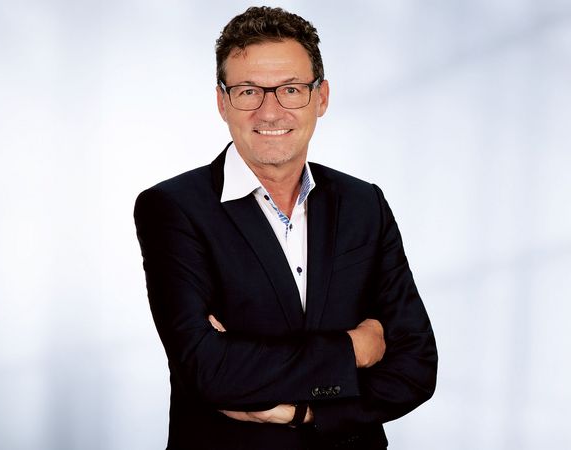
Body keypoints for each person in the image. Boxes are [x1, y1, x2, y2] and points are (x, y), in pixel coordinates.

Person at [134, 6, 437, 449]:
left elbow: (416, 366)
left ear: (321, 97)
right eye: (248, 91)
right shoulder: (173, 208)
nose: (270, 112)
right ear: (222, 102)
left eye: (291, 90)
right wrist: (354, 348)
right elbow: (207, 369)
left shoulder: (363, 204)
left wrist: (306, 412)